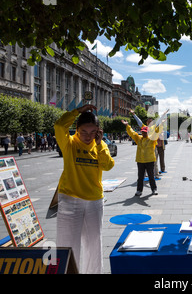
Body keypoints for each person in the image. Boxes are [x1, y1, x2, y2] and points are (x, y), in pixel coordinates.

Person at [54, 104, 115, 274]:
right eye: (84, 132)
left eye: (92, 132)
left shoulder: (99, 144)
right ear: (76, 129)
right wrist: (77, 111)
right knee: (68, 244)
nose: (88, 136)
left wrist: (99, 144)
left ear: (98, 131)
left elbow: (108, 165)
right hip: (69, 200)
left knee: (94, 243)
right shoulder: (69, 143)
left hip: (94, 200)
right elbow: (59, 125)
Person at [122, 119, 161, 196]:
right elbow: (132, 133)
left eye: (145, 132)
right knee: (140, 177)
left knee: (151, 176)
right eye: (142, 132)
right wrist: (127, 125)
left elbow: (156, 134)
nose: (143, 133)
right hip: (140, 161)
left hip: (150, 160)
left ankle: (154, 189)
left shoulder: (151, 139)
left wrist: (159, 126)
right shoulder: (138, 138)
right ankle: (139, 190)